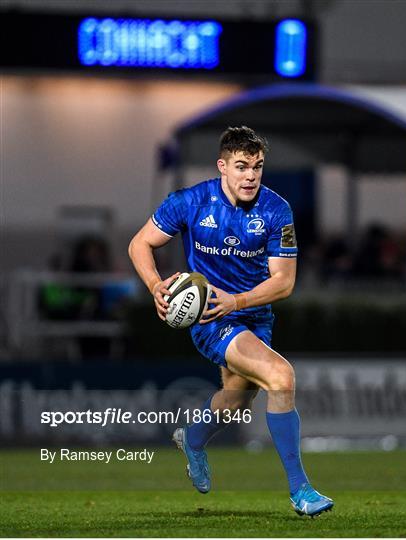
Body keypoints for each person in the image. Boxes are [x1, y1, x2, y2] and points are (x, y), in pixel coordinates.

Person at [128, 126, 333, 517]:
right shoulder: (190, 202)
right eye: (241, 167)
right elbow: (140, 244)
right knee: (281, 377)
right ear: (222, 166)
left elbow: (284, 282)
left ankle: (192, 439)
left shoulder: (276, 210)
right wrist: (156, 286)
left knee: (237, 399)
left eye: (257, 166)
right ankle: (301, 491)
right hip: (210, 318)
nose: (251, 175)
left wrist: (237, 300)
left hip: (253, 315)